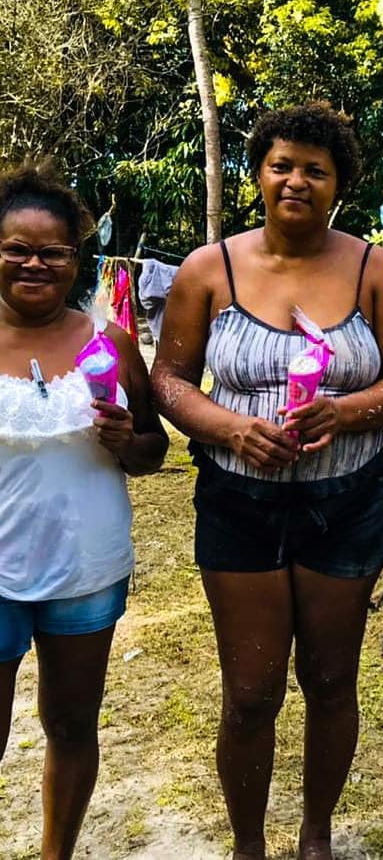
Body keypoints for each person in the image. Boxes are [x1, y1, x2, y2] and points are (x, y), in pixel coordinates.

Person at [150, 102, 383, 860]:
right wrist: (229, 427)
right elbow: (169, 378)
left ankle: (315, 836)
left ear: (339, 185)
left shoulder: (374, 268)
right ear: (258, 175)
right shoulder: (212, 269)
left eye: (316, 169)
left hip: (347, 500)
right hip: (239, 501)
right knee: (250, 691)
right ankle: (247, 845)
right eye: (282, 165)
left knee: (332, 679)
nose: (296, 180)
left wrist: (350, 412)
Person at [0, 166, 168, 859]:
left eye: (53, 251)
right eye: (16, 248)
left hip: (85, 570)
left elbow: (153, 451)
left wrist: (130, 439)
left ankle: (54, 855)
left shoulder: (111, 344)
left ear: (77, 260)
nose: (34, 263)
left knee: (71, 724)